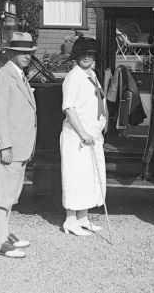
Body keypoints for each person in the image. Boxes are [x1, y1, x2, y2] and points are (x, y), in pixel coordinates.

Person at [0, 31, 38, 258]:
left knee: (11, 194)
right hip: (6, 149)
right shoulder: (2, 76)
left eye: (29, 53)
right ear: (11, 53)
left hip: (19, 147)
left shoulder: (19, 75)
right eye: (21, 52)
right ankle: (0, 242)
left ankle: (5, 233)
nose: (26, 56)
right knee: (2, 195)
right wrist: (5, 146)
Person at [60, 36, 107, 236]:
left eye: (90, 54)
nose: (87, 57)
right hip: (77, 138)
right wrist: (83, 133)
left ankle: (83, 218)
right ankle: (70, 220)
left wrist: (99, 127)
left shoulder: (92, 75)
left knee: (90, 177)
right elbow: (69, 108)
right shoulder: (73, 76)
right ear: (77, 56)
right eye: (83, 54)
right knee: (76, 177)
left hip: (93, 136)